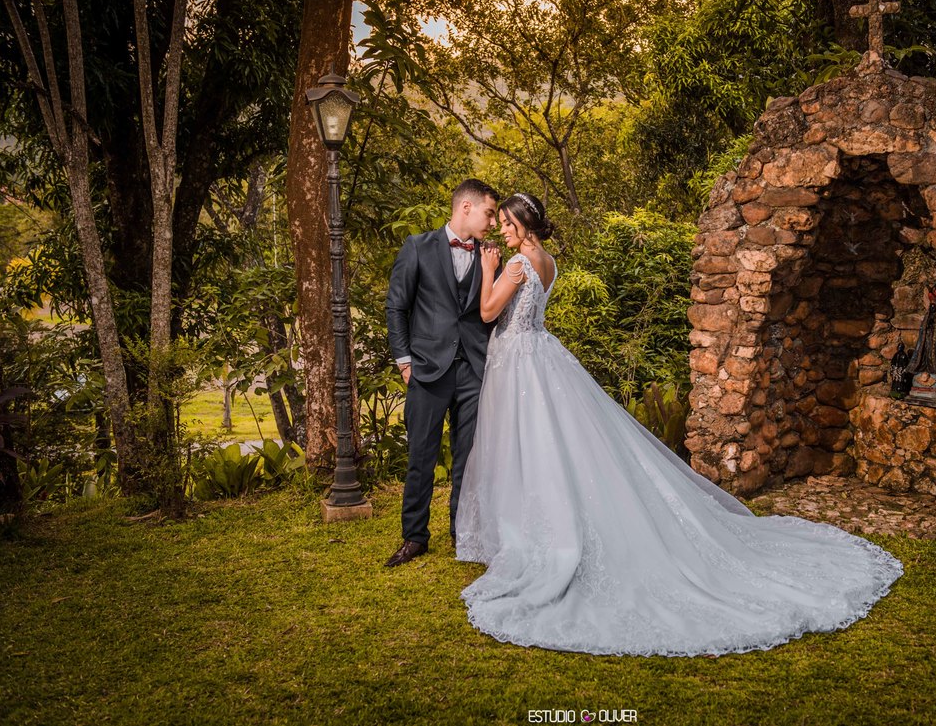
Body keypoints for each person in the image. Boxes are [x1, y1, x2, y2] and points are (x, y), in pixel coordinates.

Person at [452, 191, 904, 657]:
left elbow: (488, 312)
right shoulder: (547, 262)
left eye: (506, 223)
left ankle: (538, 535)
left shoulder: (515, 265)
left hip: (521, 361)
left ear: (523, 225)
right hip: (540, 354)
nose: (501, 229)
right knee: (546, 445)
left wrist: (487, 270)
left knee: (532, 447)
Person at [383, 179, 500, 568]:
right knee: (421, 455)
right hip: (427, 369)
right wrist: (404, 361)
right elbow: (396, 306)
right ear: (466, 207)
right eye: (489, 213)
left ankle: (461, 533)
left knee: (468, 458)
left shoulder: (490, 255)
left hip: (474, 370)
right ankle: (414, 537)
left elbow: (493, 310)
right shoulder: (418, 247)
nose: (493, 223)